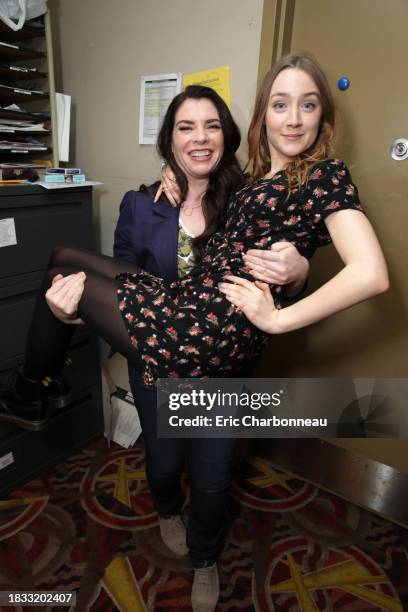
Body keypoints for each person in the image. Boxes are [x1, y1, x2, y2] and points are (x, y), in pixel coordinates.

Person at [0, 54, 388, 611]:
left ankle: (201, 555)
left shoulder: (312, 177)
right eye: (280, 104)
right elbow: (208, 251)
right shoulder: (199, 192)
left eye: (308, 105)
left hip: (207, 342)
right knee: (64, 264)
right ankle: (36, 389)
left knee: (209, 480)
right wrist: (69, 311)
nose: (294, 118)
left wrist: (288, 293)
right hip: (178, 313)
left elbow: (368, 272)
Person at [113, 85, 309, 612]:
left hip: (222, 374)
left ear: (227, 135)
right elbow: (123, 288)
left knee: (212, 478)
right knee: (161, 462)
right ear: (169, 139)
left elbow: (280, 280)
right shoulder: (139, 204)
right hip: (154, 369)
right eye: (185, 127)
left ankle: (204, 559)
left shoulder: (249, 200)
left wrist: (297, 274)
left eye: (211, 125)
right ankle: (164, 512)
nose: (200, 138)